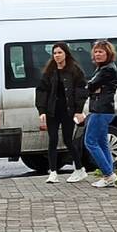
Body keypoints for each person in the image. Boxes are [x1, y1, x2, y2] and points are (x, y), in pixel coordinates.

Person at [35, 42, 88, 184]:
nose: (57, 56)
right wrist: (42, 110)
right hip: (52, 111)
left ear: (66, 53)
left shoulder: (75, 70)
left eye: (59, 53)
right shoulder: (49, 71)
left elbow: (81, 91)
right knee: (52, 140)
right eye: (54, 53)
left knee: (68, 140)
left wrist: (78, 110)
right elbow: (41, 90)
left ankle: (79, 169)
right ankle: (53, 172)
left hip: (68, 111)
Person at [85, 40, 117, 188]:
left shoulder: (107, 69)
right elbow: (94, 87)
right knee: (102, 143)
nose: (97, 54)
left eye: (101, 52)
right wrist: (94, 88)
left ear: (108, 53)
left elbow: (90, 86)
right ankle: (109, 173)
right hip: (103, 109)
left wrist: (91, 87)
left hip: (101, 110)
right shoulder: (103, 68)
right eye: (96, 51)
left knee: (90, 141)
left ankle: (108, 174)